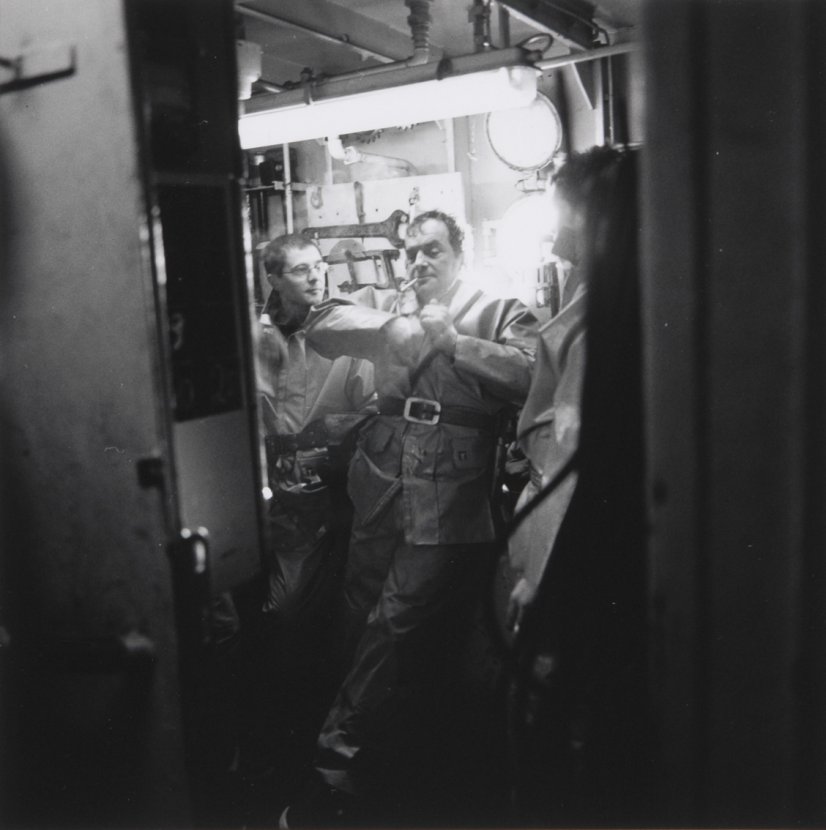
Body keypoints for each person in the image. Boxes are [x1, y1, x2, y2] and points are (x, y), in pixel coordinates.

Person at [279, 210, 538, 827]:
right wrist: (395, 326)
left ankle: (334, 771)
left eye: (432, 251)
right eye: (411, 252)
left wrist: (455, 344)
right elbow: (320, 320)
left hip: (448, 493)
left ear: (460, 253)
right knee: (357, 615)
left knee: (394, 624)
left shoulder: (498, 308)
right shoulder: (386, 304)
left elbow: (532, 373)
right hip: (380, 482)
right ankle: (375, 762)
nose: (418, 262)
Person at [505, 146, 650, 826]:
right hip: (571, 545)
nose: (557, 237)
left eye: (567, 217)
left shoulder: (607, 323)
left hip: (573, 558)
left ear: (602, 221)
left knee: (563, 716)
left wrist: (542, 579)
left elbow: (575, 459)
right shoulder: (601, 302)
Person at [241, 233, 375, 787]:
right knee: (281, 615)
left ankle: (316, 735)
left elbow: (374, 404)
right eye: (300, 270)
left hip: (343, 495)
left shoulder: (347, 330)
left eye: (318, 266)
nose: (316, 276)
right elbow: (247, 414)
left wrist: (335, 433)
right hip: (280, 503)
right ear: (273, 279)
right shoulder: (255, 338)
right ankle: (280, 740)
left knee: (339, 616)